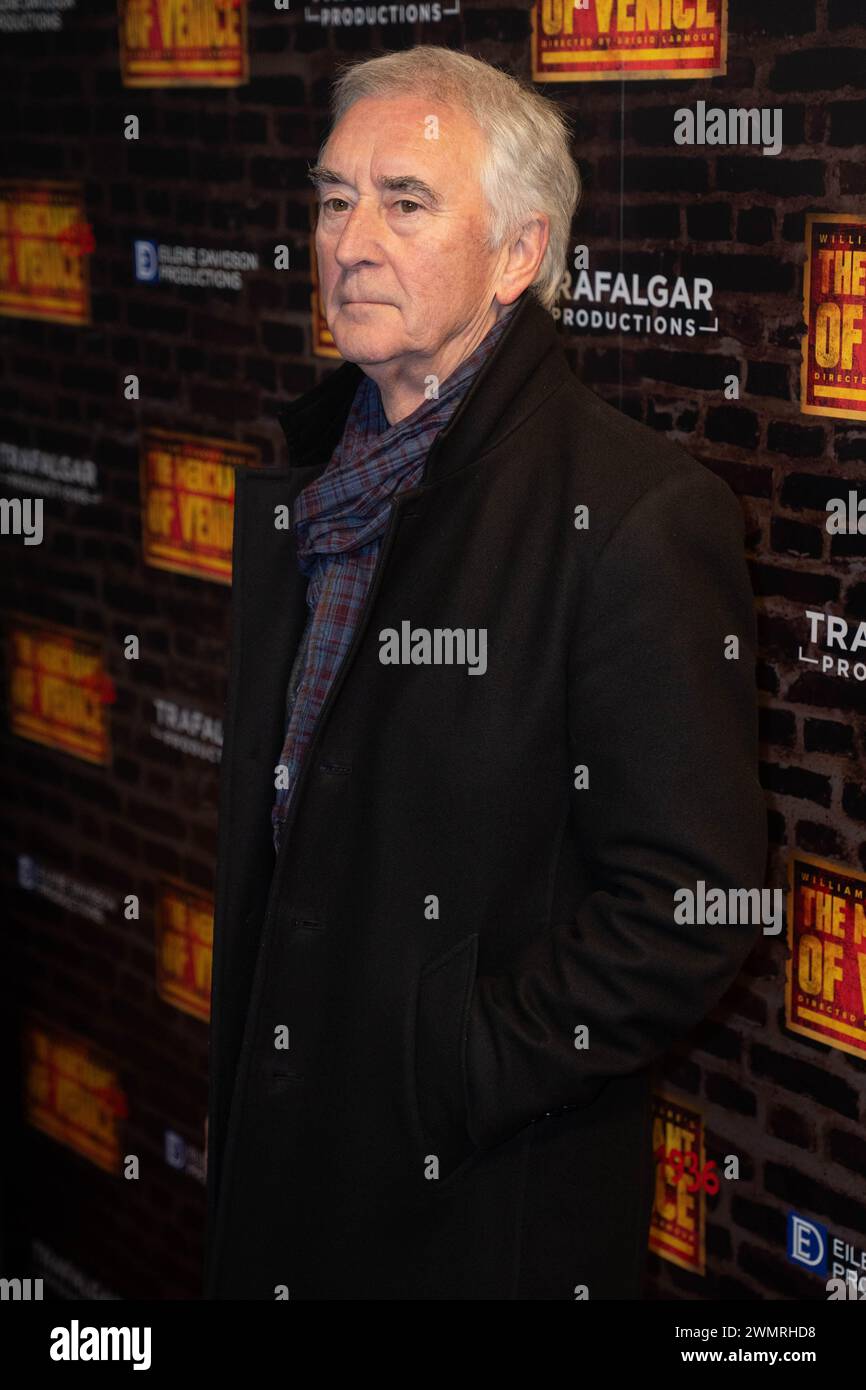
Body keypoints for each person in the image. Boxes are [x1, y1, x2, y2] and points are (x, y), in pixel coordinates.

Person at [203, 44, 767, 1301]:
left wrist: (446, 1069)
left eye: (405, 200)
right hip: (288, 1164)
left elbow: (694, 899)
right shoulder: (321, 475)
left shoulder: (629, 513)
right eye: (333, 196)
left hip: (472, 1215)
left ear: (518, 254)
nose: (349, 237)